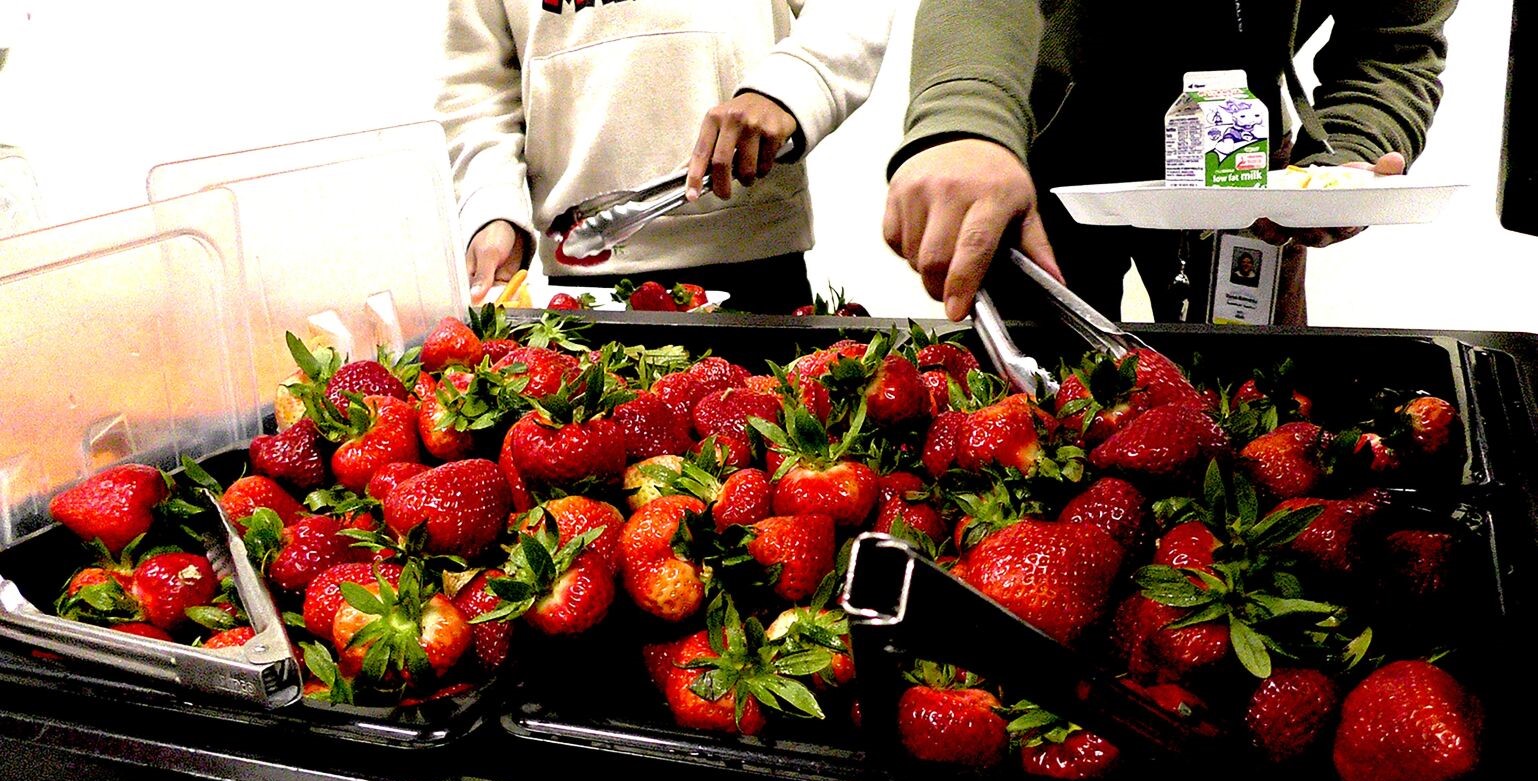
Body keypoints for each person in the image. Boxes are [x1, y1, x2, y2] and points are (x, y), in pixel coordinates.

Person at [882, 1, 1455, 324]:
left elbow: (1394, 39)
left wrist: (1347, 156)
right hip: (1040, 153)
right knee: (1037, 411)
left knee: (1256, 401)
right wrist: (964, 121)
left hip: (1245, 163)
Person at [438, 0, 894, 313]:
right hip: (581, 274)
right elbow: (477, 87)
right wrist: (492, 208)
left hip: (753, 263)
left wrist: (790, 88)